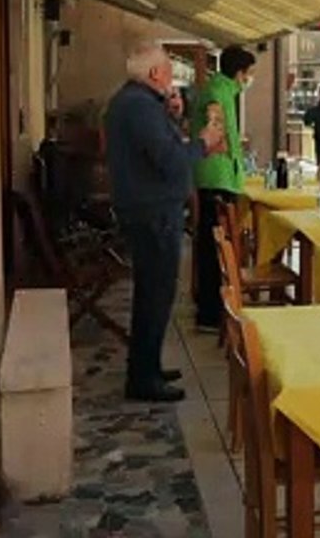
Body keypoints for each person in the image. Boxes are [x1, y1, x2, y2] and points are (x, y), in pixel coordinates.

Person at [105, 41, 224, 403]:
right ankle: (143, 377)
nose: (173, 80)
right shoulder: (139, 107)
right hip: (152, 211)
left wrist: (172, 114)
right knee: (155, 294)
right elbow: (169, 160)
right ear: (156, 74)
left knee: (156, 292)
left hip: (151, 208)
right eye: (170, 72)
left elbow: (158, 148)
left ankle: (149, 366)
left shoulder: (137, 104)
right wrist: (204, 142)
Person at [192, 45, 257, 333]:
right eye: (249, 73)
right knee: (213, 248)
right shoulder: (217, 94)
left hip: (219, 175)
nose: (250, 79)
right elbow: (213, 134)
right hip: (215, 177)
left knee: (213, 246)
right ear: (239, 73)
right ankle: (209, 312)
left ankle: (212, 307)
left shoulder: (222, 91)